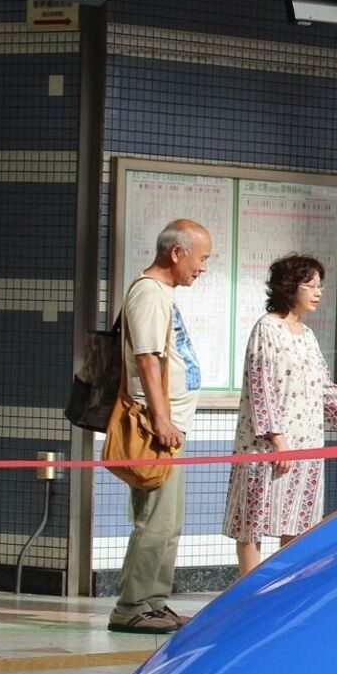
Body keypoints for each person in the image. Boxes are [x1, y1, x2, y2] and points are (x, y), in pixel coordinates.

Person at [225, 255, 337, 576]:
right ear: (289, 287)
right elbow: (260, 387)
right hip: (267, 447)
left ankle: (281, 587)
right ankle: (249, 593)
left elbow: (322, 383)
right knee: (254, 522)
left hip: (307, 444)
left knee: (298, 521)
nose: (318, 292)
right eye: (310, 285)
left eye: (320, 286)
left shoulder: (306, 335)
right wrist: (279, 440)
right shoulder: (267, 328)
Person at [109, 219, 210, 634]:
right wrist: (162, 418)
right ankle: (132, 606)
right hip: (158, 429)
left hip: (171, 425)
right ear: (176, 253)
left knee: (169, 522)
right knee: (156, 520)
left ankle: (153, 601)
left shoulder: (162, 293)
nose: (202, 267)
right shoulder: (149, 293)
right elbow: (148, 359)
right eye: (201, 258)